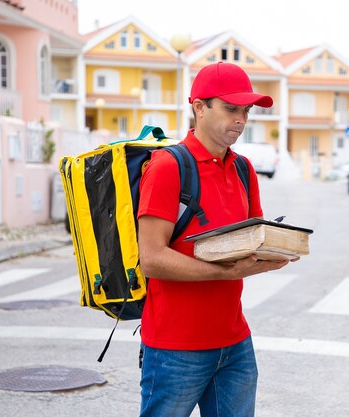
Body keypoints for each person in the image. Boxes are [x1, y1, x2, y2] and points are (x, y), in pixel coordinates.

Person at [137, 62, 296, 417]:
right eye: (230, 108)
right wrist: (224, 272)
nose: (240, 119)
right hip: (175, 347)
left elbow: (250, 241)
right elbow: (151, 258)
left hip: (234, 341)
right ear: (199, 107)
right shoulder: (167, 167)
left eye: (246, 110)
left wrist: (274, 252)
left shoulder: (243, 169)